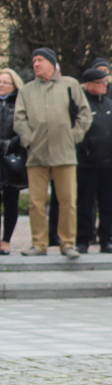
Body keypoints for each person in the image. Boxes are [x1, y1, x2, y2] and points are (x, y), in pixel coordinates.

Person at [14, 47, 93, 258]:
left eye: (40, 60)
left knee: (68, 200)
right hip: (36, 153)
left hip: (64, 153)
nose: (36, 64)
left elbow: (85, 114)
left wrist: (74, 135)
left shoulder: (70, 85)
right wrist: (28, 139)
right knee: (36, 202)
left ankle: (67, 243)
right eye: (34, 61)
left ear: (52, 63)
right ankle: (38, 244)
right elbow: (19, 119)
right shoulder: (26, 90)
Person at [76, 68, 112, 254]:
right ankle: (83, 239)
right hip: (88, 163)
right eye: (100, 83)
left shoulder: (110, 103)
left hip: (110, 163)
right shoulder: (82, 104)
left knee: (108, 205)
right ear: (89, 84)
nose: (105, 85)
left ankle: (106, 239)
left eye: (106, 82)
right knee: (85, 204)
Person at [0, 68, 25, 255]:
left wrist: (9, 144)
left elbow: (24, 128)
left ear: (14, 85)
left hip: (11, 158)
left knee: (10, 202)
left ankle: (6, 241)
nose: (1, 85)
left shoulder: (20, 103)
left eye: (5, 82)